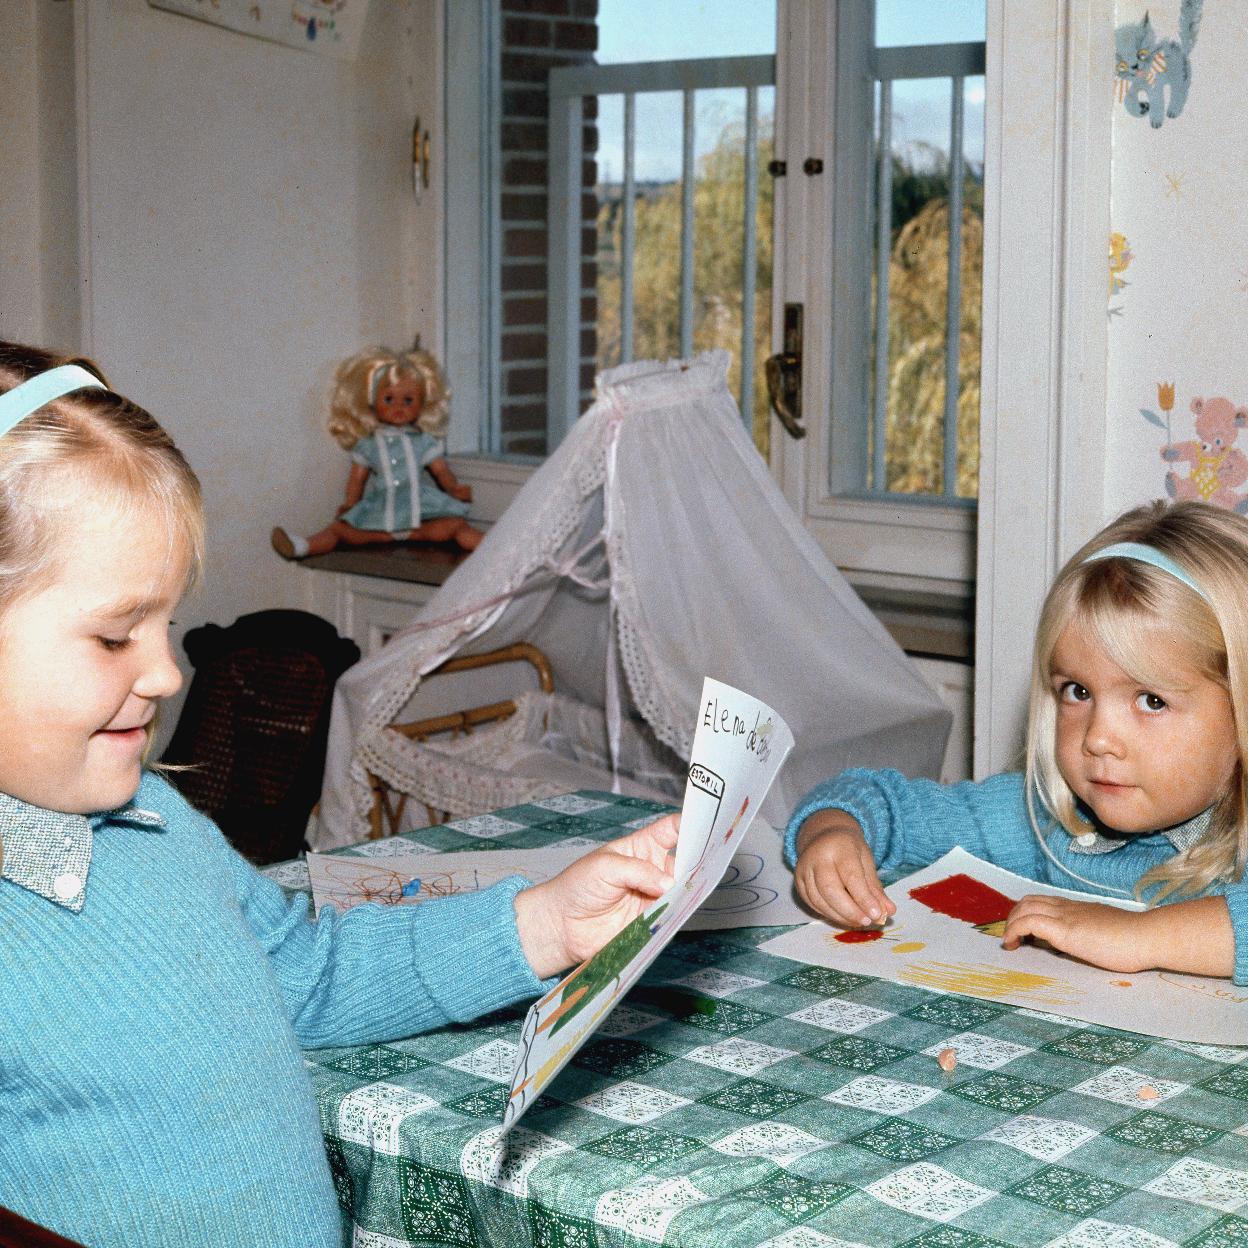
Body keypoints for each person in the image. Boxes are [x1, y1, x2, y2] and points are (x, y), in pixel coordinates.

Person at [0, 341, 678, 1248]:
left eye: (165, 622)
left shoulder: (161, 827)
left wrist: (545, 925)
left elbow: (308, 974)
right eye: (117, 637)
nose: (166, 672)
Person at [789, 499, 1248, 985]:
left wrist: (1138, 937)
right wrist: (831, 833)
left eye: (1151, 700)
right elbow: (886, 805)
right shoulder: (1045, 820)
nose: (1098, 738)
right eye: (1078, 692)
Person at [272, 344, 484, 559]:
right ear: (372, 403)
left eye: (408, 400)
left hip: (421, 518)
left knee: (457, 526)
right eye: (389, 399)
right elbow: (357, 479)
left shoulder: (423, 442)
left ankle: (498, 550)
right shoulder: (368, 445)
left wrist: (454, 488)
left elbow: (440, 472)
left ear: (421, 405)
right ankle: (302, 546)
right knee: (338, 530)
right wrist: (350, 504)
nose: (398, 407)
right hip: (378, 521)